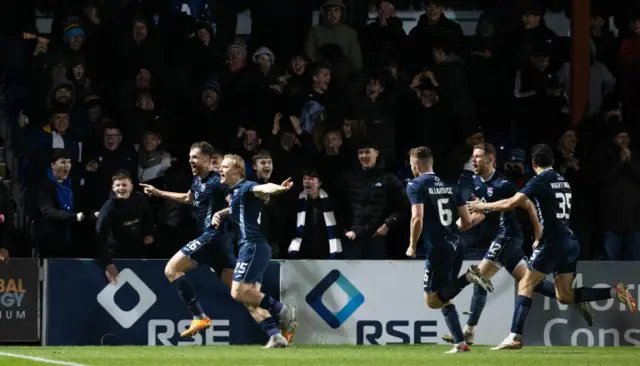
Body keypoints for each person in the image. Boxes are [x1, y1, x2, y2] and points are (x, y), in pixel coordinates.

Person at [468, 144, 637, 350]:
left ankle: (514, 336)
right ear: (552, 162)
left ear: (533, 163)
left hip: (552, 241)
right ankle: (614, 292)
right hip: (570, 240)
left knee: (525, 284)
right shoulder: (562, 181)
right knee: (564, 295)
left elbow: (511, 203)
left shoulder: (539, 181)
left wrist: (482, 206)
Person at [442, 143, 592, 346]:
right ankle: (573, 298)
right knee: (530, 283)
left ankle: (468, 332)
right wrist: (454, 230)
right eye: (473, 156)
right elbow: (479, 214)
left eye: (478, 156)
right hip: (500, 238)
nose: (474, 160)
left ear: (490, 159)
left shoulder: (503, 183)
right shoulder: (477, 182)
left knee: (479, 276)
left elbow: (528, 204)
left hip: (508, 236)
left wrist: (538, 233)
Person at [140, 142, 236, 338]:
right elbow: (188, 198)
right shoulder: (197, 181)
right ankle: (279, 317)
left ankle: (199, 317)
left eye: (195, 157)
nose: (190, 160)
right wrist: (160, 193)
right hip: (217, 245)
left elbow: (236, 204)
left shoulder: (218, 181)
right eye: (190, 157)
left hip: (213, 236)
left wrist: (222, 213)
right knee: (240, 292)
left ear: (208, 160)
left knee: (171, 269)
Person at [404, 146, 494, 354]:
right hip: (457, 246)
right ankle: (460, 343)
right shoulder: (450, 186)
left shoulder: (415, 185)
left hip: (438, 249)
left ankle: (469, 277)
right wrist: (481, 215)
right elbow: (466, 222)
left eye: (411, 166)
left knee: (432, 301)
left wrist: (412, 245)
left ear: (416, 165)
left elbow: (417, 217)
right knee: (445, 296)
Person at [213, 154, 297, 348]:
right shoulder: (234, 193)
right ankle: (275, 336)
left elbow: (263, 188)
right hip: (253, 247)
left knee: (237, 292)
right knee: (251, 299)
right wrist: (220, 213)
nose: (220, 170)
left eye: (225, 167)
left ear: (237, 172)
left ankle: (283, 309)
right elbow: (236, 208)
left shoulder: (246, 186)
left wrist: (279, 188)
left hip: (253, 246)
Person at [97, 170, 155, 283]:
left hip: (138, 250)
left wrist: (149, 233)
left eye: (124, 185)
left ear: (131, 187)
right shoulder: (108, 208)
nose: (121, 188)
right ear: (113, 188)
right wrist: (108, 264)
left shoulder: (140, 199)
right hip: (116, 254)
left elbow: (149, 216)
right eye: (117, 185)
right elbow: (99, 237)